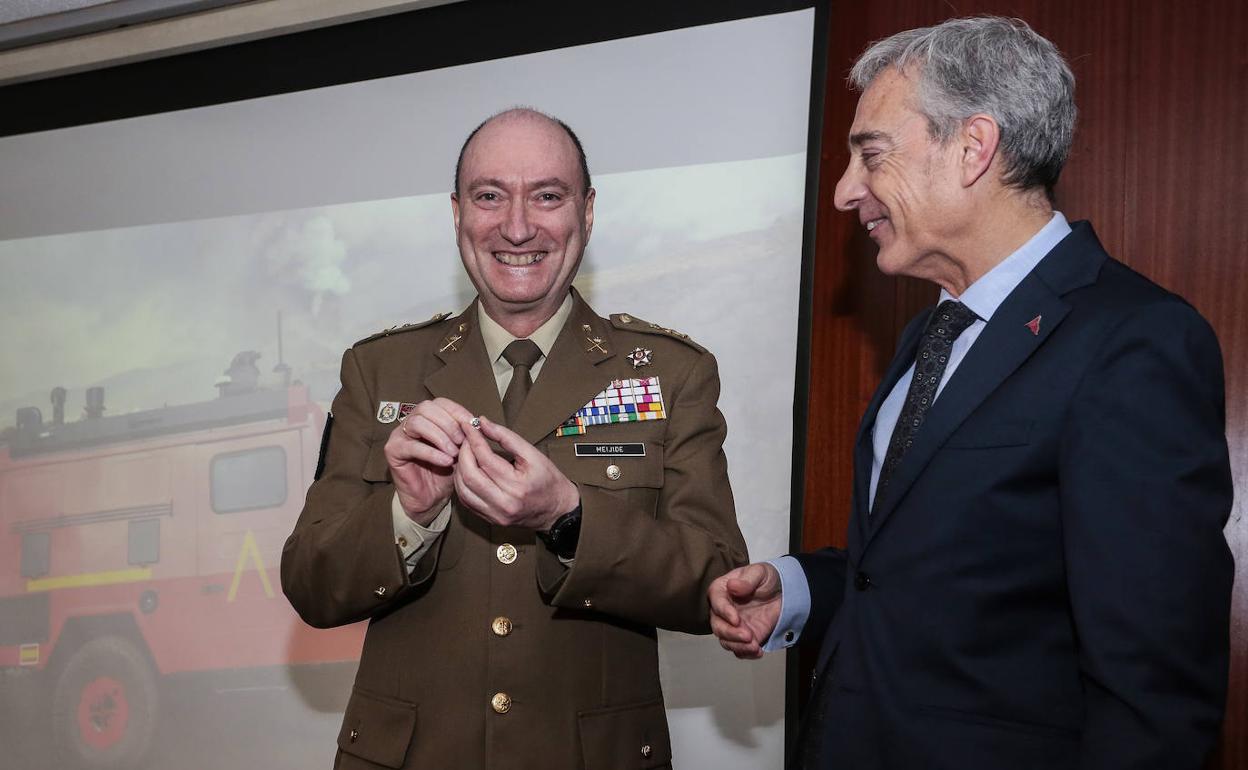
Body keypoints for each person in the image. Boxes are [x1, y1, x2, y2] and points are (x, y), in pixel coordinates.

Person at [709, 16, 1233, 770]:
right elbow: (924, 573)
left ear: (971, 148)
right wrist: (797, 589)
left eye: (871, 154)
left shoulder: (1134, 342)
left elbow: (1152, 689)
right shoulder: (932, 335)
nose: (845, 192)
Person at [282, 108, 748, 769]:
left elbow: (718, 580)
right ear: (457, 213)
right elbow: (309, 582)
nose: (518, 226)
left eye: (548, 196)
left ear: (586, 213)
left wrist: (569, 517)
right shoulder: (379, 369)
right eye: (490, 196)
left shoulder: (671, 374)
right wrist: (407, 515)